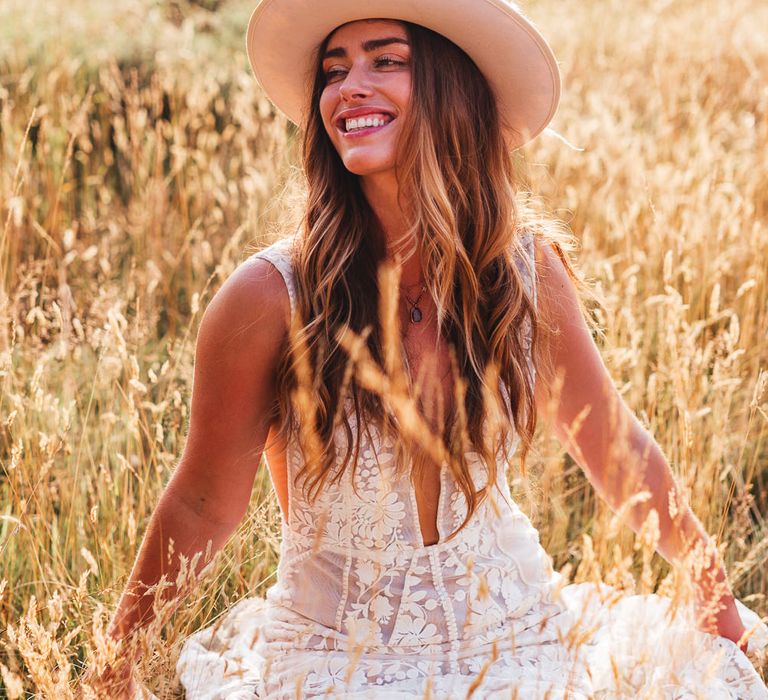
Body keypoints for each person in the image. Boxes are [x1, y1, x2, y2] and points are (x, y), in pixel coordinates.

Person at [92, 0, 768, 698]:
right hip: (334, 659)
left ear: (452, 88)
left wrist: (715, 599)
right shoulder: (267, 298)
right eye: (334, 70)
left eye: (386, 60)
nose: (349, 85)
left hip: (520, 630)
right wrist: (113, 666)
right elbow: (202, 504)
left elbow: (615, 449)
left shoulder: (524, 273)